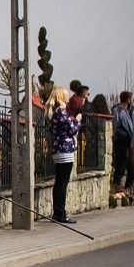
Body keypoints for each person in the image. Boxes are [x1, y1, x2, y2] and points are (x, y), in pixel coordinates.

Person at [47, 86, 79, 223]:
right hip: (65, 149)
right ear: (61, 97)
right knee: (62, 182)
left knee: (59, 181)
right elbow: (72, 130)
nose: (67, 98)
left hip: (57, 148)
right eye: (65, 95)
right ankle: (60, 213)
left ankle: (57, 212)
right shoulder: (61, 112)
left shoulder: (52, 112)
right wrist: (77, 120)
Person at [111, 91, 134, 193]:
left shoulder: (126, 111)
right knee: (121, 166)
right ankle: (117, 187)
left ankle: (127, 189)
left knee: (132, 168)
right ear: (128, 99)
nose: (133, 100)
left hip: (128, 142)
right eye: (132, 98)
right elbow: (117, 127)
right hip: (122, 142)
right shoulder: (119, 111)